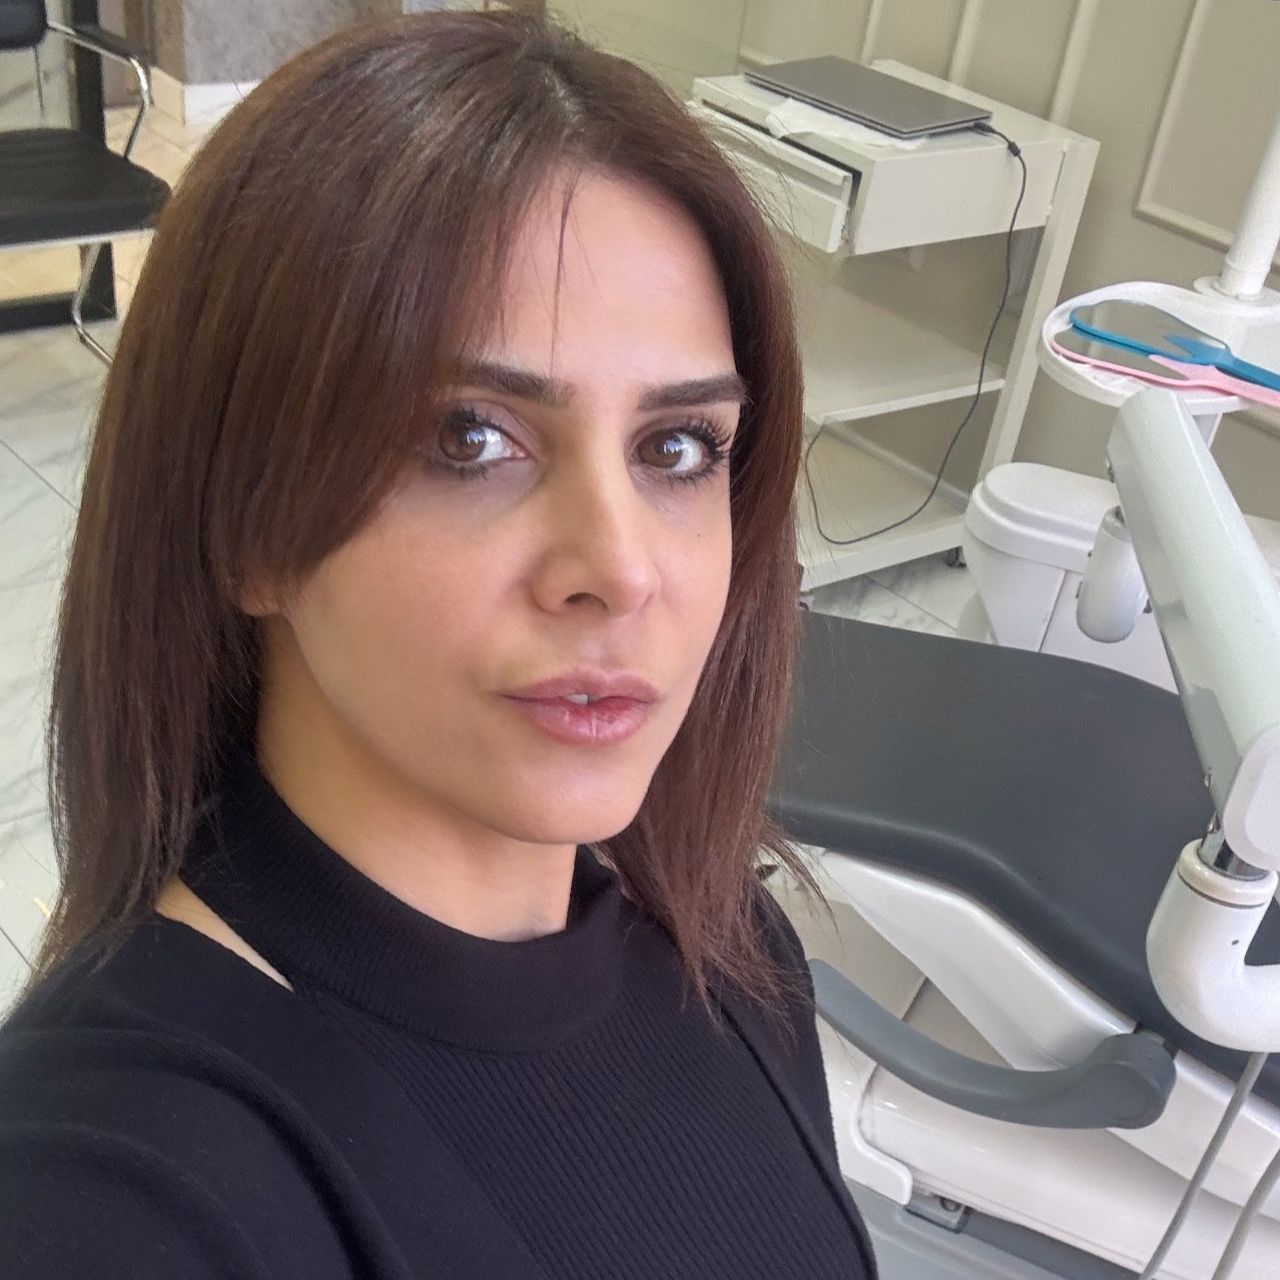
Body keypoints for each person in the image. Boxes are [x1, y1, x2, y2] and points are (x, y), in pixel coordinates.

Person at [0, 10, 876, 1278]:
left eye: (676, 446)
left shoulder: (731, 946)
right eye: (470, 438)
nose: (622, 567)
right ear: (245, 521)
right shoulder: (114, 1179)